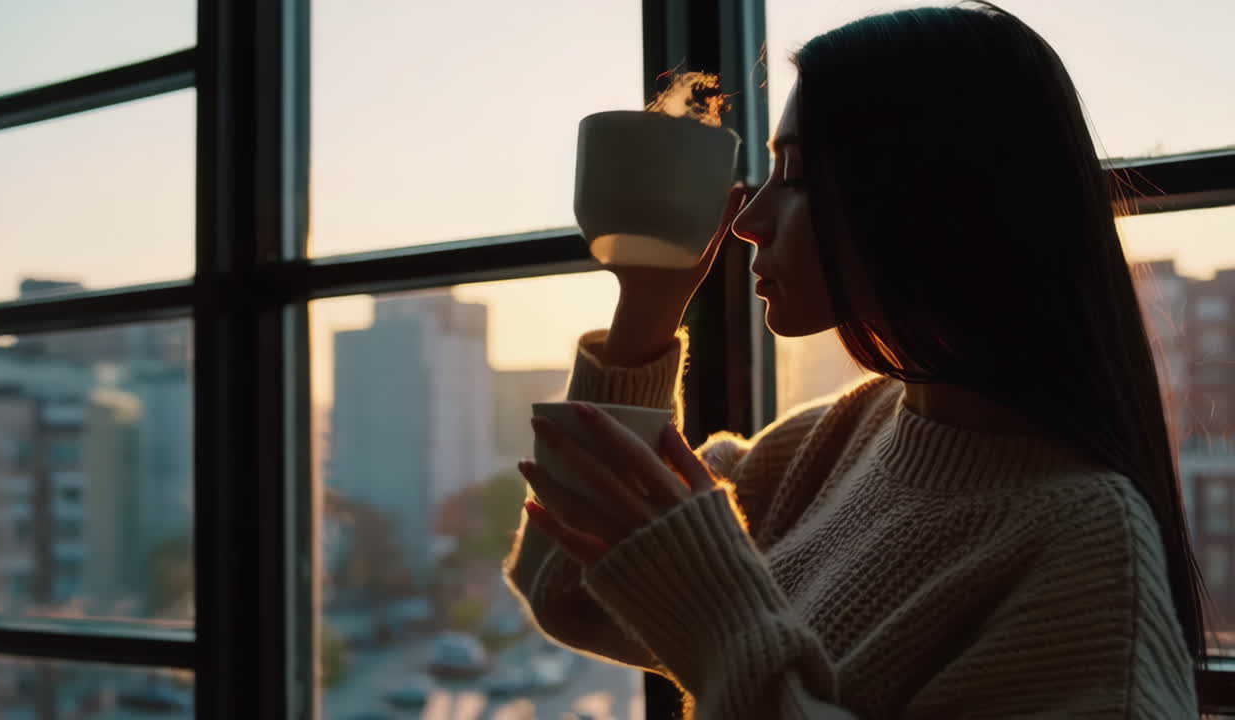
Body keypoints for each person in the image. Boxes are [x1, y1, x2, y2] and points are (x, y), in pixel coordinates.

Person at [503, 2, 1207, 717]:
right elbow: (566, 584)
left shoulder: (1085, 550)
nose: (746, 221)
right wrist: (647, 304)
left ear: (937, 194)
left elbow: (666, 608)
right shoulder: (838, 438)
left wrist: (726, 632)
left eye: (797, 173)